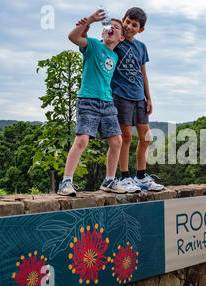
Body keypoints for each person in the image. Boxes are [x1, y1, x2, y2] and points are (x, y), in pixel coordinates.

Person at [57, 9, 127, 196]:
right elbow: (73, 37)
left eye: (116, 28)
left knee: (116, 141)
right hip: (88, 100)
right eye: (108, 26)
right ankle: (66, 182)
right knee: (82, 140)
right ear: (103, 32)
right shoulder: (94, 45)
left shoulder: (115, 56)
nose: (111, 28)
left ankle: (109, 180)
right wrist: (89, 21)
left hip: (107, 102)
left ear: (121, 38)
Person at [112, 7, 164, 192]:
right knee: (125, 137)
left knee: (146, 137)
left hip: (139, 97)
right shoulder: (116, 42)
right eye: (127, 22)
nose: (129, 27)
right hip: (120, 96)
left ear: (140, 29)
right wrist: (114, 35)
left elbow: (144, 74)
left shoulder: (141, 47)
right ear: (123, 20)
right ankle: (124, 177)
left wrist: (148, 98)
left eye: (134, 25)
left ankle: (141, 177)